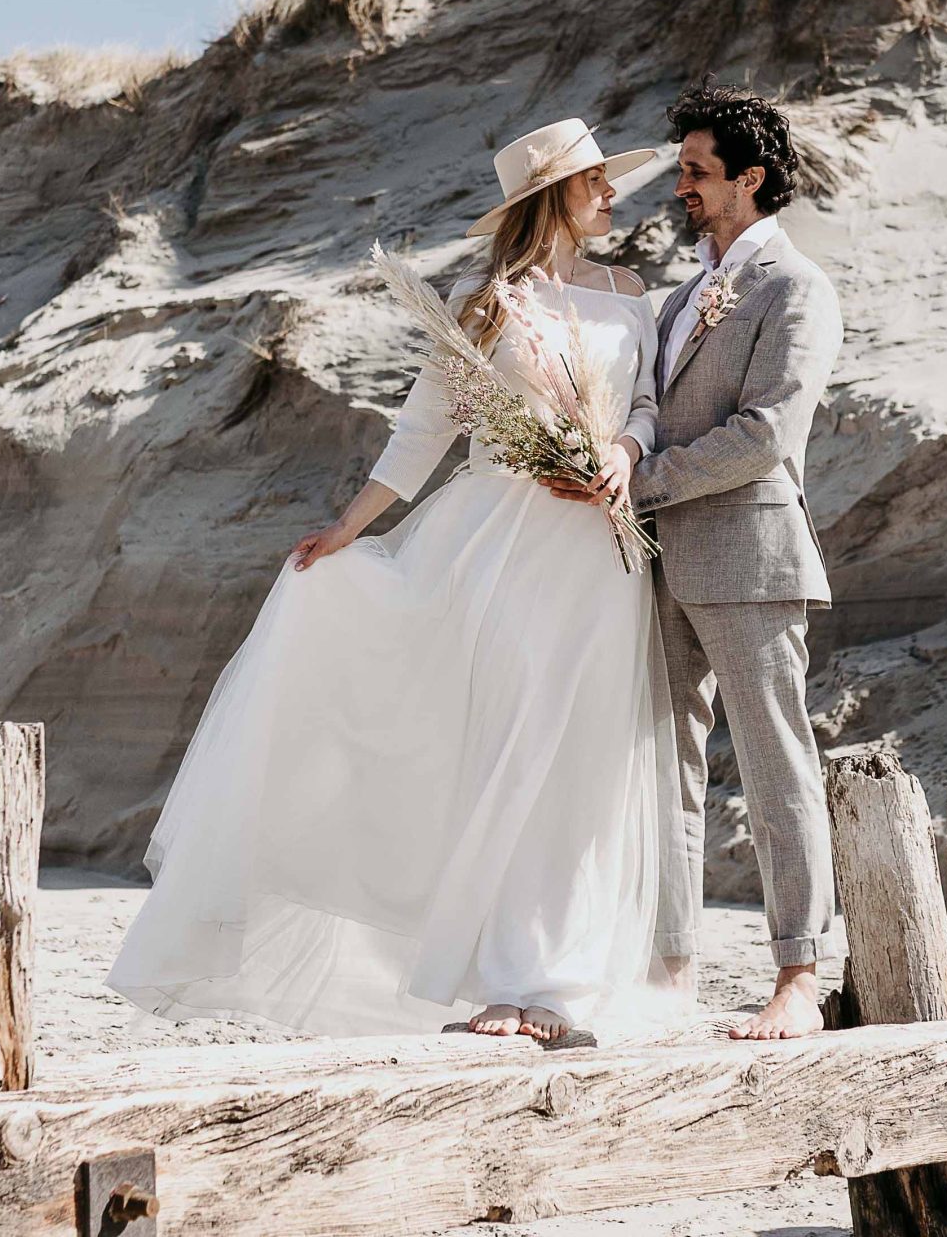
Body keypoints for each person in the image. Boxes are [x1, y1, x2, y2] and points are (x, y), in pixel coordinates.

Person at [108, 118, 690, 1041]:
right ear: (555, 197)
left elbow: (653, 406)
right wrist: (346, 528)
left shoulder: (630, 291)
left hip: (598, 551)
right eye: (595, 182)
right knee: (509, 746)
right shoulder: (484, 299)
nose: (613, 194)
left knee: (582, 759)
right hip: (503, 541)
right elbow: (423, 430)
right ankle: (505, 979)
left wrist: (621, 454)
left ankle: (563, 980)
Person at [554, 84, 846, 1040]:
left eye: (695, 171)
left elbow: (764, 435)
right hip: (656, 562)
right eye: (680, 168)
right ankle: (670, 971)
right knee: (665, 771)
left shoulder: (796, 288)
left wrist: (642, 483)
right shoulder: (679, 297)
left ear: (750, 180)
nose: (678, 184)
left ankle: (799, 978)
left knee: (775, 765)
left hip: (753, 553)